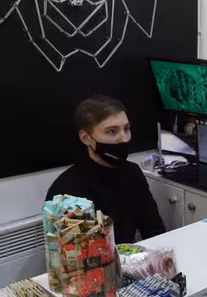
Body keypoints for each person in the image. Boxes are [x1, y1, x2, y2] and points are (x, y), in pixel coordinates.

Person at [47, 95, 165, 244]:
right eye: (112, 131)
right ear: (86, 138)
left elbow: (154, 230)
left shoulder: (133, 173)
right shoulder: (66, 191)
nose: (124, 138)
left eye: (126, 129)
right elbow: (74, 251)